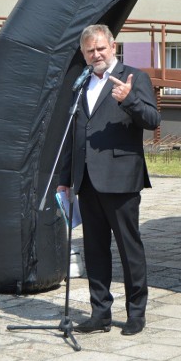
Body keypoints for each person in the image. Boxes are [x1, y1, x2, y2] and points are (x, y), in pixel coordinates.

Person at [57, 24, 161, 336]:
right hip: (86, 181)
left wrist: (129, 100)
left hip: (120, 178)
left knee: (130, 248)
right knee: (95, 249)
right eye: (90, 51)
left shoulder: (134, 77)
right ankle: (100, 312)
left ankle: (136, 313)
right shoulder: (81, 82)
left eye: (100, 48)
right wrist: (65, 178)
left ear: (113, 46)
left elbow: (152, 120)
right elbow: (73, 135)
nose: (96, 54)